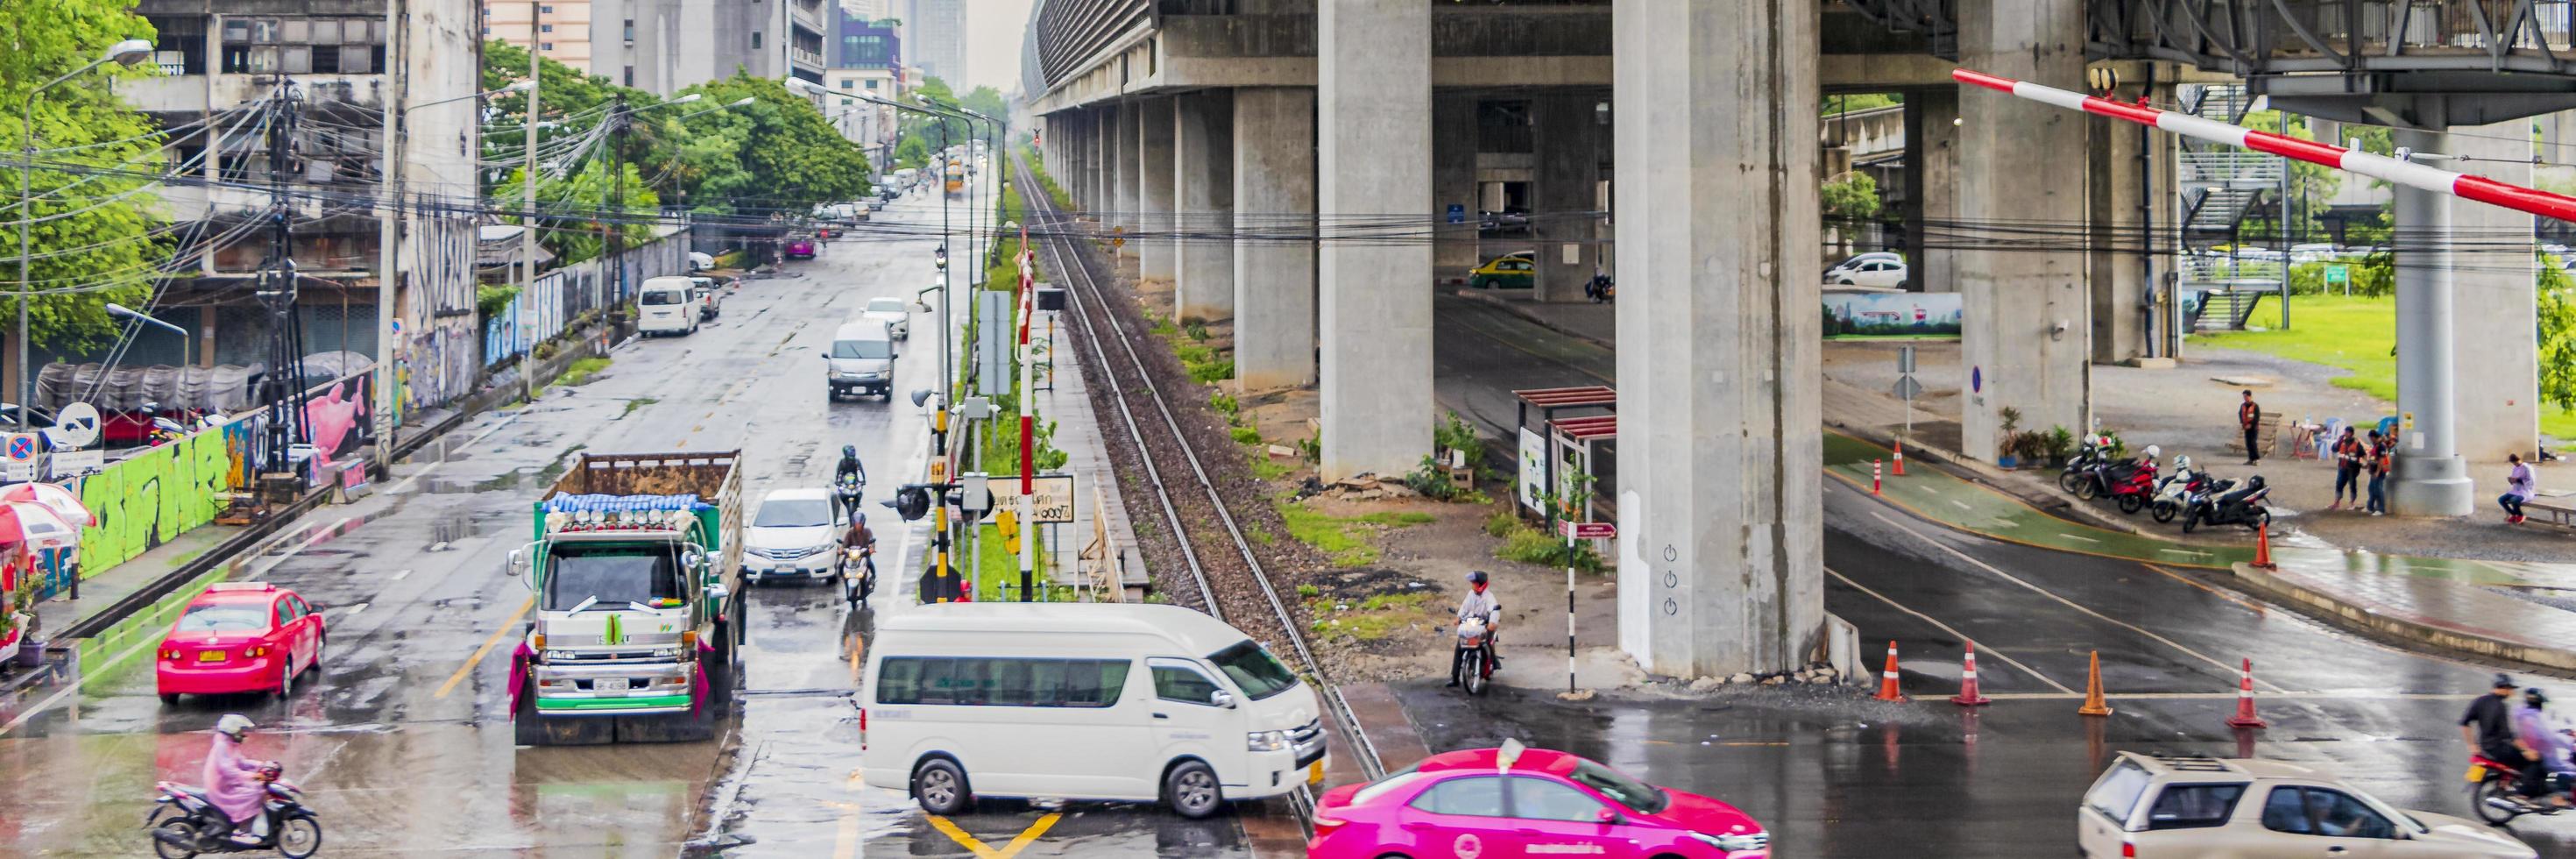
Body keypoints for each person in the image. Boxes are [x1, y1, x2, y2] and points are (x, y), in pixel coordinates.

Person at [2465, 674, 2559, 806]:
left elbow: (2464, 723)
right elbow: (2509, 736)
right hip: (2500, 749)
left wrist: (2472, 745)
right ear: (2504, 688)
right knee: (2536, 760)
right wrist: (2527, 751)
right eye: (2511, 689)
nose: (2512, 692)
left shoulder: (2480, 701)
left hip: (2486, 748)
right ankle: (2525, 794)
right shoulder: (2500, 706)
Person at [202, 713, 276, 845]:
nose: (243, 734)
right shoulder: (221, 746)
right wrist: (253, 776)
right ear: (232, 731)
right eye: (241, 731)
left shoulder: (230, 745)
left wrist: (262, 765)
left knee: (257, 788)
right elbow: (229, 771)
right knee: (254, 793)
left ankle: (250, 825)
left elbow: (242, 762)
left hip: (229, 783)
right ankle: (242, 830)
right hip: (221, 788)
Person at [2516, 687, 2576, 799]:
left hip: (2529, 750)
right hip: (2545, 755)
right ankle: (2559, 798)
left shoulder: (2521, 713)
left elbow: (2551, 728)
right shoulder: (2539, 717)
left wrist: (2564, 730)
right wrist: (2570, 742)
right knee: (2572, 770)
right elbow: (2551, 737)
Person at [1448, 571, 1501, 688]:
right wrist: (1459, 617)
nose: (1473, 586)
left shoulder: (1489, 597)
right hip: (1472, 623)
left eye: (1475, 584)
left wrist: (1492, 622)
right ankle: (1455, 677)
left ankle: (1493, 662)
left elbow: (1494, 610)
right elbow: (1464, 607)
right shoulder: (1471, 594)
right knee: (1460, 645)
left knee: (1487, 643)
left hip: (1485, 624)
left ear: (1481, 584)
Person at [2329, 427, 2362, 511]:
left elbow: (2362, 454)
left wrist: (2362, 464)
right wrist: (2338, 441)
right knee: (2339, 484)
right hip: (2342, 466)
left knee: (2352, 485)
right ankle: (2336, 503)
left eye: (2347, 432)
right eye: (2345, 432)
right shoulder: (2342, 441)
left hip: (2352, 468)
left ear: (2351, 433)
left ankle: (2352, 503)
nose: (2345, 433)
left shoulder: (2357, 443)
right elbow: (2334, 449)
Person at [2502, 453, 2537, 524]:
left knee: (2513, 500)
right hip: (2516, 490)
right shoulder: (2515, 467)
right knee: (2501, 500)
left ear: (2520, 460)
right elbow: (2514, 478)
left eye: (2516, 462)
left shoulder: (2527, 467)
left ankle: (2521, 515)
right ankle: (2514, 514)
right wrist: (2511, 480)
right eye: (2513, 463)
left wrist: (2518, 480)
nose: (2515, 464)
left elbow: (2531, 481)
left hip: (2526, 491)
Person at [2365, 430, 2392, 516]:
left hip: (2379, 471)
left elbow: (2381, 460)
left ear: (2373, 437)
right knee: (2372, 489)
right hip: (2374, 470)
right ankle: (2370, 507)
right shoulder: (2376, 445)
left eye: (2370, 438)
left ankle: (2381, 509)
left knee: (2378, 489)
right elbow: (2374, 458)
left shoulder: (2381, 446)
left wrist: (2377, 472)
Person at [2238, 390, 2263, 465]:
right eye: (2244, 397)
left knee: (2253, 443)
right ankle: (2251, 459)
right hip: (2246, 427)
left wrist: (2251, 424)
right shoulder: (2243, 405)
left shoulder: (2255, 406)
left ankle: (2257, 459)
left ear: (2250, 396)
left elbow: (2257, 417)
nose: (2245, 398)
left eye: (2246, 396)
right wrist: (2243, 423)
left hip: (2253, 428)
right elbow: (2240, 414)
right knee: (2248, 443)